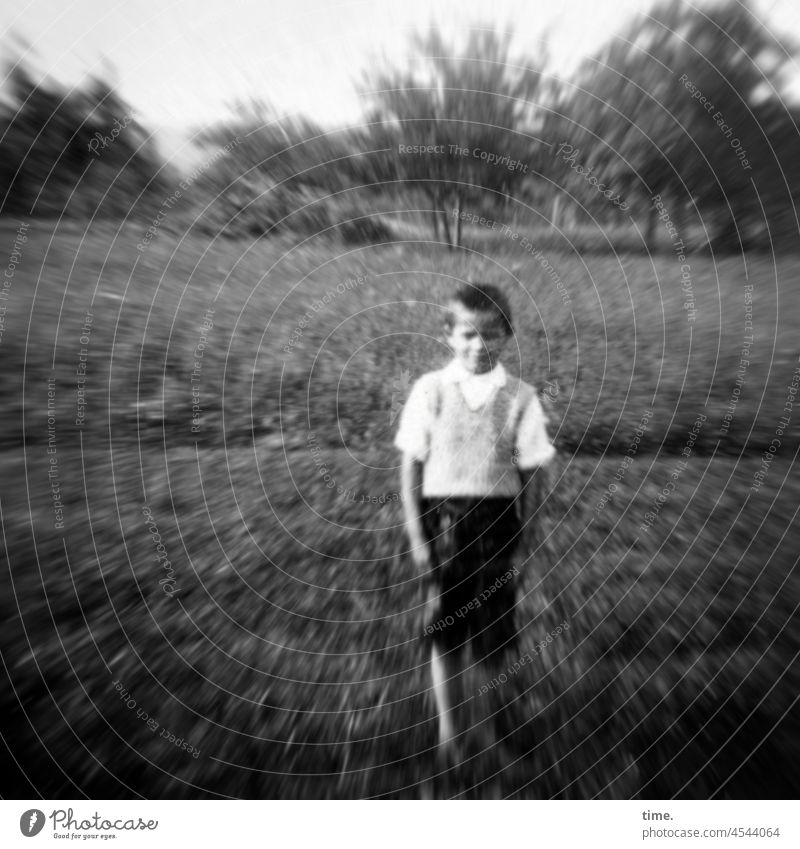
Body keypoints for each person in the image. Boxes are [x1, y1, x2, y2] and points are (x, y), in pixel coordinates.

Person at [394, 282, 557, 764]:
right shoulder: (431, 391)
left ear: (507, 336)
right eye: (467, 334)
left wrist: (525, 540)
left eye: (490, 335)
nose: (478, 346)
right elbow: (411, 468)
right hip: (444, 526)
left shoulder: (521, 397)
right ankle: (450, 733)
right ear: (449, 335)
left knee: (492, 633)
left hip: (498, 526)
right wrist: (416, 535)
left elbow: (533, 475)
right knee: (446, 628)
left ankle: (488, 728)